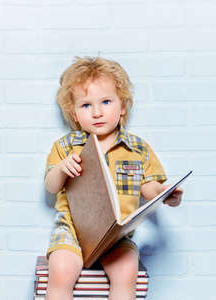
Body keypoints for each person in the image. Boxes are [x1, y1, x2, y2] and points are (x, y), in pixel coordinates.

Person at [44, 56, 183, 300]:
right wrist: (62, 169)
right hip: (73, 232)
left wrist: (164, 193)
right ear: (75, 114)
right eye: (86, 105)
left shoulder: (137, 148)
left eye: (106, 102)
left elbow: (148, 187)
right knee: (61, 271)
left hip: (116, 236)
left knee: (126, 270)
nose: (97, 112)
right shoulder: (66, 146)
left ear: (122, 107)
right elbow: (51, 186)